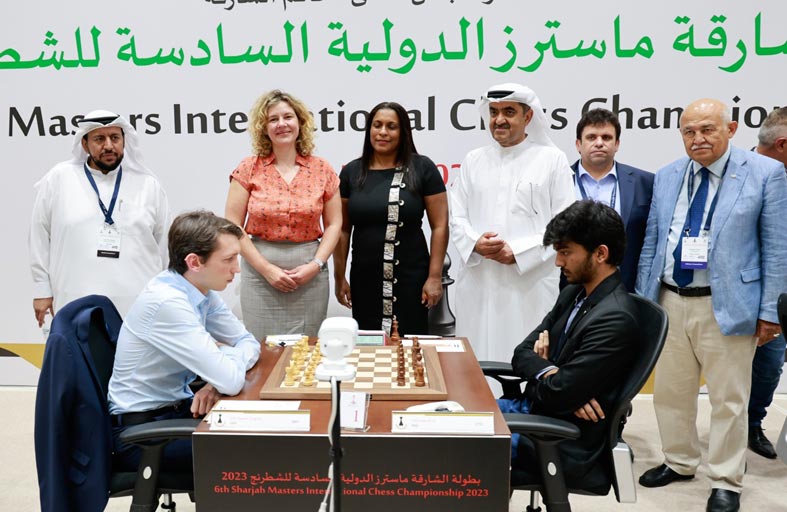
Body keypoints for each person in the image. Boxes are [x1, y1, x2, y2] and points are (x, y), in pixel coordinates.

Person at [636, 99, 787, 512]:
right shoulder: (668, 175)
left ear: (731, 129)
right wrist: (645, 302)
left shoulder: (766, 173)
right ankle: (680, 461)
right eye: (689, 131)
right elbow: (653, 241)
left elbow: (777, 248)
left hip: (729, 303)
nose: (698, 139)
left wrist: (769, 312)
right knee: (671, 393)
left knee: (729, 399)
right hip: (670, 300)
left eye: (707, 129)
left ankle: (725, 479)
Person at [499, 199, 638, 489]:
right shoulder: (573, 293)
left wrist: (553, 378)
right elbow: (521, 353)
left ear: (600, 254)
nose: (558, 262)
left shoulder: (615, 318)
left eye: (565, 252)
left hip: (559, 439)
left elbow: (559, 392)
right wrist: (554, 374)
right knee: (445, 419)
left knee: (451, 446)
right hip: (533, 412)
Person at [107, 210, 261, 471]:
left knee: (264, 427)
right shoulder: (168, 302)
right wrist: (222, 370)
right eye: (228, 259)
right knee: (256, 451)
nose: (237, 268)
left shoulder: (198, 289)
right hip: (144, 437)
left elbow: (248, 341)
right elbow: (232, 380)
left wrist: (214, 381)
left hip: (176, 412)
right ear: (194, 262)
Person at [449, 82, 575, 361]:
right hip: (479, 282)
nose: (499, 120)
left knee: (524, 358)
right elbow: (456, 217)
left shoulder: (552, 160)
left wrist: (517, 252)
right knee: (477, 359)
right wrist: (475, 243)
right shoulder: (473, 160)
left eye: (509, 112)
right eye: (493, 112)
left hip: (529, 284)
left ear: (528, 117)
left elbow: (565, 224)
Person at [29, 110, 168, 322]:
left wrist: (165, 292)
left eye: (115, 138)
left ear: (124, 141)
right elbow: (39, 235)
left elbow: (164, 245)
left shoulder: (148, 185)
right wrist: (42, 289)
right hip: (75, 297)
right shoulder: (59, 178)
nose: (109, 146)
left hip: (138, 302)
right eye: (99, 139)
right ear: (85, 144)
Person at [225, 90, 342, 339]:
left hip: (310, 272)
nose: (281, 124)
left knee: (308, 349)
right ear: (263, 127)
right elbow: (232, 224)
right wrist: (266, 269)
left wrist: (316, 265)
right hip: (260, 272)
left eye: (288, 117)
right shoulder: (249, 168)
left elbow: (334, 225)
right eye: (273, 119)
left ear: (300, 122)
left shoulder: (322, 169)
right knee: (262, 349)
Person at [333, 102, 448, 336]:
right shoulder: (351, 172)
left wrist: (434, 277)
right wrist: (339, 277)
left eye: (391, 126)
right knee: (369, 344)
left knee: (410, 344)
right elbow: (342, 230)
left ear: (403, 131)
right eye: (377, 125)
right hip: (365, 277)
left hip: (412, 277)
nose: (382, 132)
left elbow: (440, 225)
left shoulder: (423, 167)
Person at [569, 108, 653, 292]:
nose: (599, 143)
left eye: (606, 137)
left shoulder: (645, 183)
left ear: (617, 144)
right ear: (578, 144)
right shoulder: (559, 180)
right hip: (569, 286)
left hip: (625, 288)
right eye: (591, 137)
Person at [747, 106, 787, 459]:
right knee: (729, 371)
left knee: (770, 367)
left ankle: (752, 424)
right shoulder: (737, 172)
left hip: (781, 293)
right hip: (742, 292)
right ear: (783, 144)